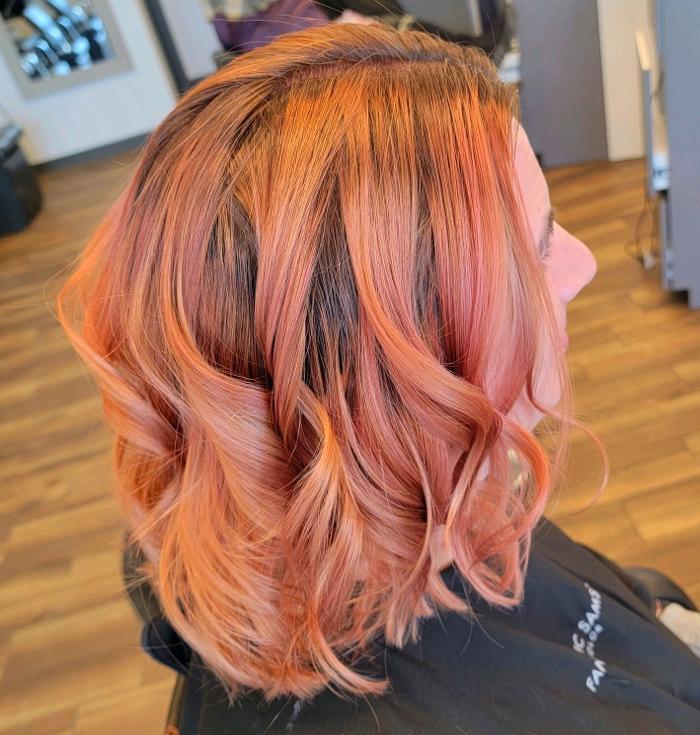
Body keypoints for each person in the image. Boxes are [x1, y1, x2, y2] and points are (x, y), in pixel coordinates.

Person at [58, 23, 700, 734]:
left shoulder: (382, 501)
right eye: (538, 249)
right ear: (397, 373)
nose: (584, 265)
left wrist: (658, 618)